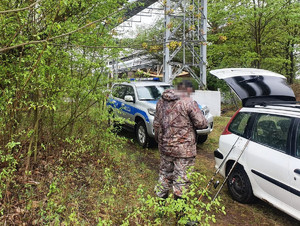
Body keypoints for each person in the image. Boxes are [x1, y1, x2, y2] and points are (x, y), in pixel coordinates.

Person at [153, 80, 208, 200]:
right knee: (181, 181)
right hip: (184, 151)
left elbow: (156, 124)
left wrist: (160, 141)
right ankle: (180, 215)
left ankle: (160, 210)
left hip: (165, 147)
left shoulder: (160, 102)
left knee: (164, 176)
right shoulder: (188, 102)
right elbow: (202, 123)